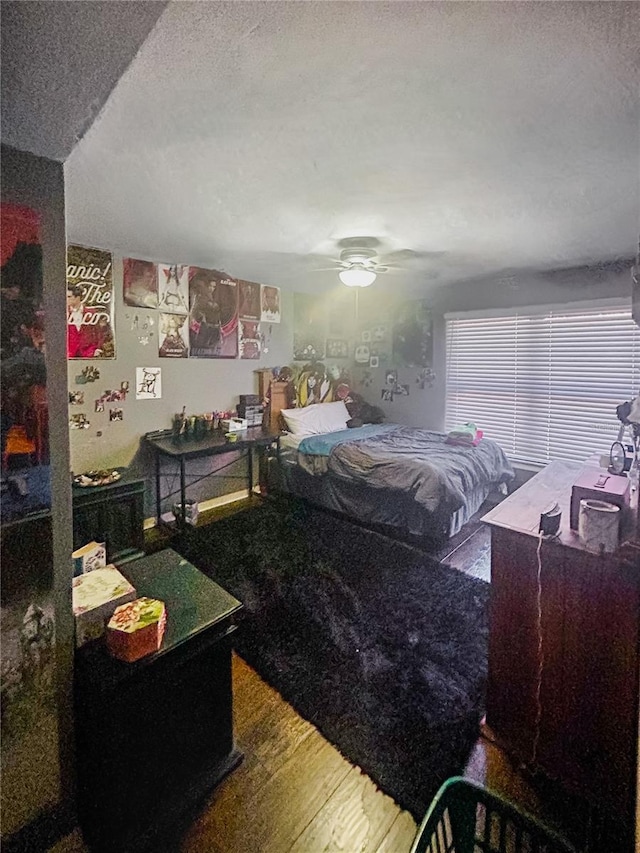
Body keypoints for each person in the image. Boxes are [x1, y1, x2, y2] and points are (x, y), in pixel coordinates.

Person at [67, 285, 110, 358]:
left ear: (77, 298)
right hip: (69, 355)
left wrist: (97, 348)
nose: (66, 299)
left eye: (69, 297)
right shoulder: (64, 313)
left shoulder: (91, 313)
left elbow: (100, 332)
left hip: (88, 353)